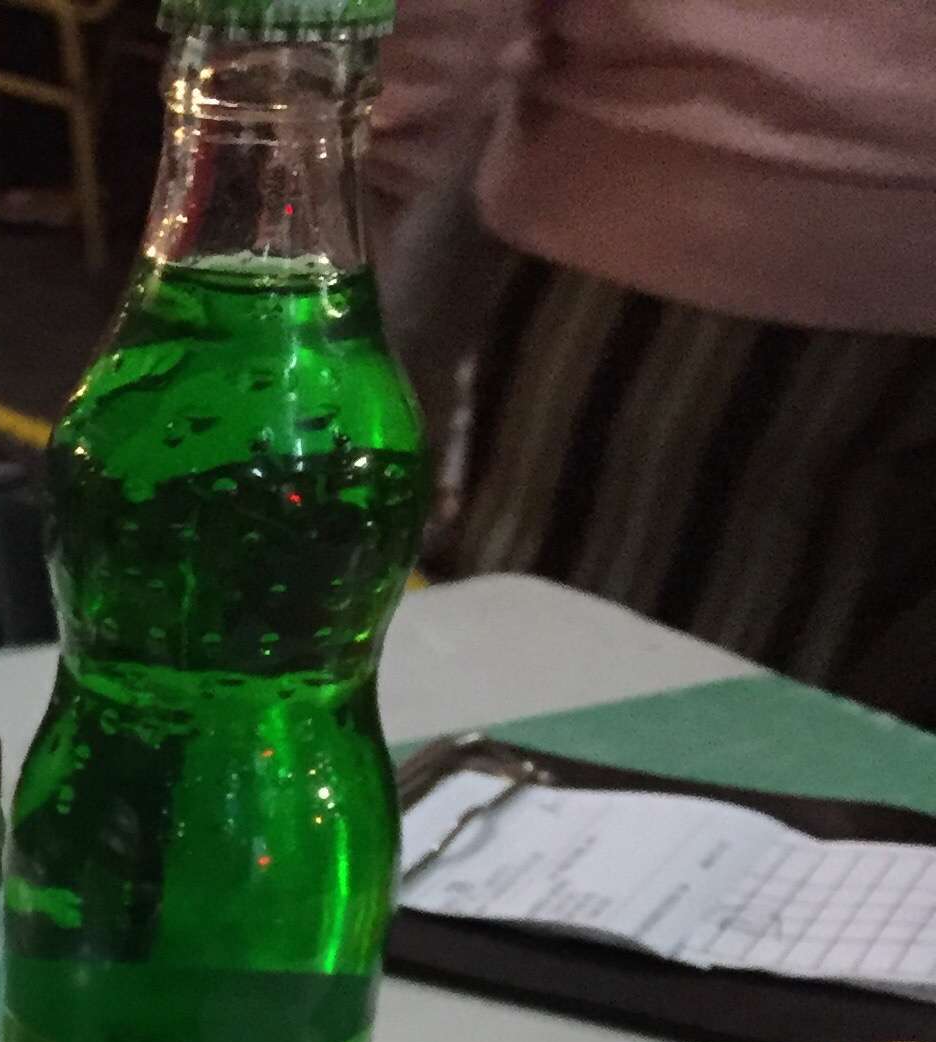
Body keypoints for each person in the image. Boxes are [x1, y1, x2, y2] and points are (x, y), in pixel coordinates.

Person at [370, 0, 936, 723]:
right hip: (755, 205)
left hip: (714, 203)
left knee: (576, 715)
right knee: (837, 738)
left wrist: (332, 147)